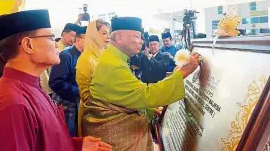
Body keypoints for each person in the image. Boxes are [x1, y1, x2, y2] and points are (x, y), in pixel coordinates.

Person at [0, 9, 112, 151]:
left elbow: (43, 141)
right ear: (28, 45)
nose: (56, 45)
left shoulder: (30, 86)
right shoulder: (12, 105)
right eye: (51, 38)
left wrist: (76, 145)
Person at [81, 16, 200, 150]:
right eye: (137, 36)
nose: (142, 41)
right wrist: (183, 72)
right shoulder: (113, 65)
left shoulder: (115, 59)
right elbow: (146, 94)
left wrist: (148, 109)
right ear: (119, 37)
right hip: (115, 138)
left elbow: (125, 97)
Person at [49, 26, 87, 137]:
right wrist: (80, 91)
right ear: (78, 40)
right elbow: (55, 82)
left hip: (78, 102)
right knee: (68, 136)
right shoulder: (66, 55)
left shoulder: (85, 56)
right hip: (66, 103)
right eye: (88, 40)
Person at [75, 19, 110, 136]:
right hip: (94, 117)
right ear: (94, 35)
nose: (108, 37)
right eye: (104, 33)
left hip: (107, 113)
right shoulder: (86, 59)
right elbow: (86, 96)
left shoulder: (103, 55)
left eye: (109, 33)